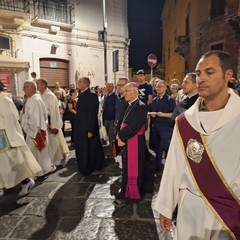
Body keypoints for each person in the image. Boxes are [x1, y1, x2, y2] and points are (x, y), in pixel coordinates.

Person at [154, 50, 240, 239]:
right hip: (190, 211)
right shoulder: (185, 122)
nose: (201, 78)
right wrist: (166, 207)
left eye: (209, 72)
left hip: (229, 214)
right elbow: (173, 167)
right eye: (199, 73)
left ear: (228, 75)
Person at [0, 81, 42, 196]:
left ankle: (26, 181)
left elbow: (11, 121)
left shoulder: (4, 100)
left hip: (6, 138)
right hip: (5, 137)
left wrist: (13, 139)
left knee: (12, 163)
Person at [114, 82, 151, 206]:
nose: (123, 94)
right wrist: (118, 134)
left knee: (133, 168)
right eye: (123, 91)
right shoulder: (127, 104)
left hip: (135, 141)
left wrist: (121, 136)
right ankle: (125, 190)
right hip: (126, 140)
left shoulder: (141, 106)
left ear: (134, 92)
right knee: (125, 168)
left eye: (126, 91)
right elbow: (122, 121)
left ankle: (130, 194)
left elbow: (134, 126)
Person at [20, 80, 54, 176]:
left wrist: (25, 125)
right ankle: (42, 169)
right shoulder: (32, 99)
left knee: (36, 153)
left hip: (35, 132)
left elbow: (35, 120)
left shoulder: (35, 100)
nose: (23, 89)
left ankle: (39, 171)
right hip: (35, 131)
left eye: (25, 87)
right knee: (38, 154)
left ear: (32, 87)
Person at [74, 77, 105, 176]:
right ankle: (84, 165)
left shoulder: (91, 95)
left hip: (88, 127)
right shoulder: (82, 94)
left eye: (80, 82)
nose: (78, 83)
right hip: (81, 126)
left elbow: (92, 113)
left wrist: (90, 130)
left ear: (86, 84)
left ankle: (89, 167)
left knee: (89, 148)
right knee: (84, 148)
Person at [36, 78, 69, 166]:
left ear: (43, 85)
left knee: (56, 142)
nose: (36, 86)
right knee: (50, 144)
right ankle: (50, 160)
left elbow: (54, 111)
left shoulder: (50, 95)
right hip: (43, 123)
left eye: (38, 84)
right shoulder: (39, 95)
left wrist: (54, 125)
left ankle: (63, 156)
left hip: (51, 122)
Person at [148, 80, 176, 172]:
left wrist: (163, 114)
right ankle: (158, 166)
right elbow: (149, 111)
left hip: (165, 126)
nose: (158, 88)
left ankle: (170, 166)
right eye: (156, 86)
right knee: (157, 147)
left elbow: (174, 114)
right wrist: (151, 113)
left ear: (165, 88)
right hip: (155, 126)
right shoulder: (154, 100)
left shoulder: (170, 100)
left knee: (165, 146)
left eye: (160, 86)